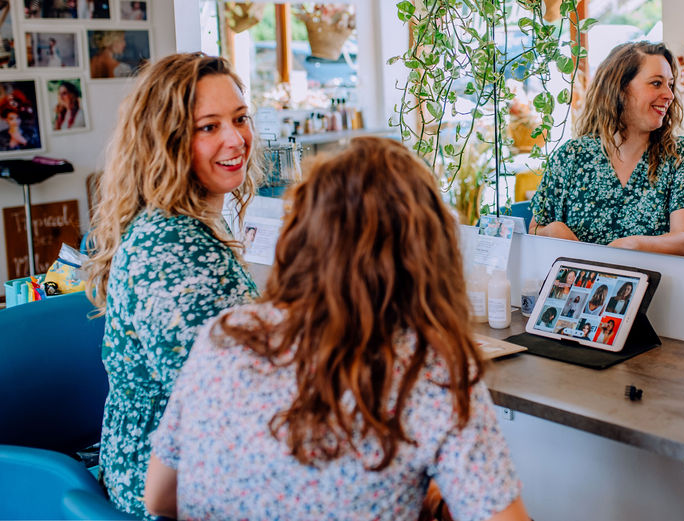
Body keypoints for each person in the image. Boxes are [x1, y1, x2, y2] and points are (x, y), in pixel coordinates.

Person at [144, 138, 528, 521]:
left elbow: (159, 498)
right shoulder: (429, 373)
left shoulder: (224, 335)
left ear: (299, 234)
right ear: (427, 254)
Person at [85, 53, 262, 517]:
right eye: (209, 126)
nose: (235, 139)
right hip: (165, 485)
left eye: (240, 119)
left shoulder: (189, 229)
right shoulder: (167, 250)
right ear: (168, 140)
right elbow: (223, 408)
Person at [530, 41, 684, 257]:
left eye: (670, 84)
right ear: (619, 88)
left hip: (655, 286)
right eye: (656, 83)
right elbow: (535, 228)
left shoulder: (681, 155)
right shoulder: (571, 155)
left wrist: (631, 247)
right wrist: (551, 231)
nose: (669, 95)